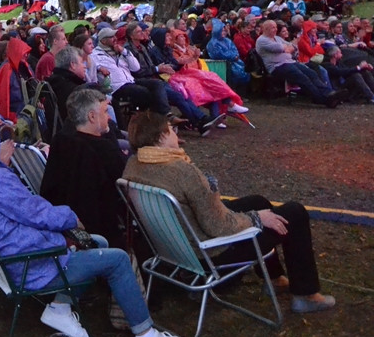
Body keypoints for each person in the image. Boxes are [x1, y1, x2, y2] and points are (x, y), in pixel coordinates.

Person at [0, 112, 194, 337]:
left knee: (97, 242)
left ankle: (60, 307)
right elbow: (35, 213)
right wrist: (70, 217)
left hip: (11, 255)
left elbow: (20, 211)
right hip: (30, 265)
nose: (2, 140)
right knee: (117, 259)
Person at [122, 111, 336, 314]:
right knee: (295, 213)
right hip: (210, 254)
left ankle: (274, 277)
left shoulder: (134, 165)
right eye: (170, 130)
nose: (175, 133)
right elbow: (218, 226)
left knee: (257, 201)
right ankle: (306, 295)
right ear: (160, 138)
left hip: (174, 247)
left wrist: (254, 213)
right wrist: (257, 219)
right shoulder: (181, 171)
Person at [39, 90, 128, 248]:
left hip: (64, 223)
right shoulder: (103, 149)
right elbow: (127, 182)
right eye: (105, 112)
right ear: (92, 117)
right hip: (101, 229)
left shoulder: (61, 140)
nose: (108, 117)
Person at [255, 20, 338, 107]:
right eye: (273, 27)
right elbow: (281, 48)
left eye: (276, 27)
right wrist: (287, 48)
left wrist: (288, 47)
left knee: (311, 73)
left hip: (290, 62)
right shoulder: (262, 41)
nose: (275, 29)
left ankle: (329, 93)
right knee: (302, 77)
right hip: (277, 66)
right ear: (265, 29)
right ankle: (321, 99)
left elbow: (292, 46)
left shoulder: (277, 38)